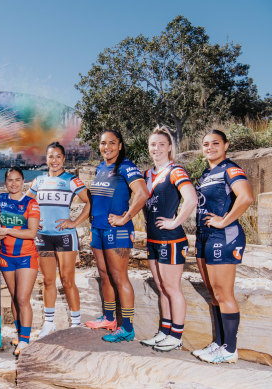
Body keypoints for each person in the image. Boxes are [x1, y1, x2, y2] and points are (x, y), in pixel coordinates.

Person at [192, 129, 253, 363]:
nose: (210, 147)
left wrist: (224, 220)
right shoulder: (206, 174)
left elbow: (246, 197)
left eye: (215, 143)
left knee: (223, 293)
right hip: (204, 236)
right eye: (206, 144)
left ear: (226, 145)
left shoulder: (230, 168)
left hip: (224, 235)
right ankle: (219, 343)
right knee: (213, 293)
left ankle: (229, 350)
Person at [85, 129, 149, 342]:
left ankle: (128, 328)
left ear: (120, 145)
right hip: (98, 229)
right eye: (103, 143)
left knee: (120, 277)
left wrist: (125, 217)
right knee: (104, 274)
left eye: (112, 143)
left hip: (117, 230)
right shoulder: (101, 167)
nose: (107, 147)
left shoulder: (126, 166)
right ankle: (109, 318)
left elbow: (142, 193)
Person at [139, 127, 197, 351]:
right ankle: (164, 331)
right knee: (162, 288)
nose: (157, 148)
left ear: (170, 147)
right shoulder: (147, 174)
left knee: (172, 288)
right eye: (153, 144)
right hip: (153, 239)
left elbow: (191, 199)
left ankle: (176, 335)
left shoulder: (175, 171)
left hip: (171, 239)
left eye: (162, 144)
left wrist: (175, 222)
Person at [26, 141, 91, 338]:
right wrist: (33, 222)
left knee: (67, 280)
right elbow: (26, 204)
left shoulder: (72, 180)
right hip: (43, 237)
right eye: (50, 157)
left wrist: (74, 222)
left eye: (58, 157)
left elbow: (89, 202)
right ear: (46, 159)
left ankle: (76, 324)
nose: (54, 161)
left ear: (63, 159)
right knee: (47, 280)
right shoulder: (38, 181)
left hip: (64, 237)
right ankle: (49, 323)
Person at [0, 167, 40, 355]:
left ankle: (25, 341)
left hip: (26, 256)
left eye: (17, 180)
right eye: (10, 180)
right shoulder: (0, 200)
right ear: (5, 182)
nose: (13, 183)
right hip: (6, 256)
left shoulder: (31, 203)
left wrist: (7, 230)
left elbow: (32, 232)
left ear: (23, 181)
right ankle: (20, 334)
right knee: (14, 297)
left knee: (22, 298)